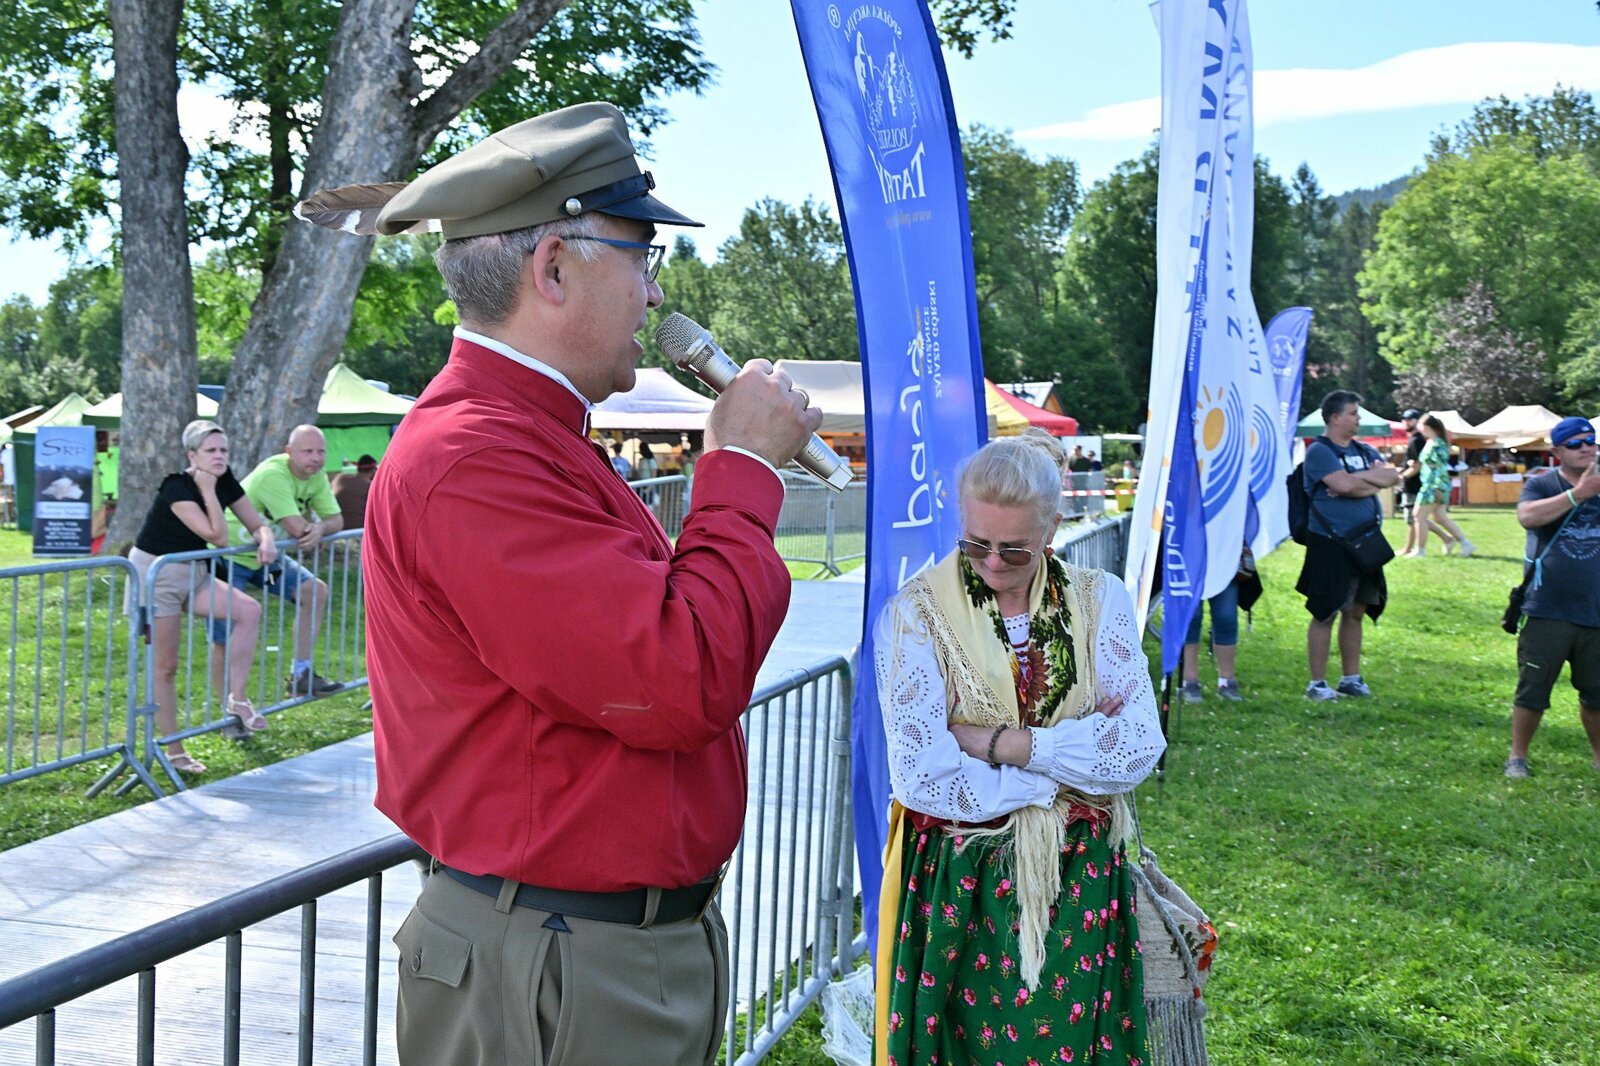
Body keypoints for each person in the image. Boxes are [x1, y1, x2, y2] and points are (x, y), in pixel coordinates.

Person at [351, 102, 822, 1065]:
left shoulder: (526, 437)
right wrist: (740, 469)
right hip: (556, 964)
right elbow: (679, 674)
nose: (656, 294)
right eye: (643, 255)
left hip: (585, 952)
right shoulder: (477, 457)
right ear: (555, 269)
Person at [873, 435, 1165, 1066]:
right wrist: (1065, 766)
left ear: (1052, 529)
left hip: (1079, 869)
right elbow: (922, 775)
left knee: (1071, 1042)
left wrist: (1001, 743)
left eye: (1014, 549)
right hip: (963, 876)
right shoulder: (917, 614)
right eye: (975, 543)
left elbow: (1139, 745)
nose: (993, 562)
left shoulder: (1099, 599)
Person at [130, 420, 276, 774]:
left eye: (224, 450)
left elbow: (256, 523)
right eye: (211, 451)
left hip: (193, 573)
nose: (219, 456)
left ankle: (237, 698)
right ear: (192, 456)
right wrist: (208, 490)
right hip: (156, 576)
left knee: (248, 611)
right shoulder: (176, 486)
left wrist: (267, 538)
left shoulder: (225, 480)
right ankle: (174, 751)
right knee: (166, 666)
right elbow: (218, 537)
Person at [210, 425, 343, 698]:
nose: (316, 458)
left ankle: (302, 674)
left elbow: (336, 520)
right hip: (227, 556)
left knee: (314, 591)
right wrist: (315, 528)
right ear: (289, 452)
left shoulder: (315, 476)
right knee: (224, 636)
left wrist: (320, 528)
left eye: (321, 452)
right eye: (307, 451)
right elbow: (296, 529)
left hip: (266, 556)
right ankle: (229, 708)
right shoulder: (274, 474)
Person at [1504, 416, 1600, 778]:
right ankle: (1517, 757)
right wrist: (1579, 494)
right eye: (1575, 444)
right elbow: (1527, 517)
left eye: (1590, 441)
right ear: (1557, 451)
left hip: (1596, 608)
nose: (1585, 448)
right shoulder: (1542, 484)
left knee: (1596, 693)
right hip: (1548, 607)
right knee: (1533, 689)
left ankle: (1599, 758)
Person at [1298, 390, 1399, 701]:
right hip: (1330, 543)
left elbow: (1391, 476)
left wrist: (1357, 481)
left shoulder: (1364, 449)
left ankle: (1350, 679)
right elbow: (1343, 485)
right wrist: (1367, 481)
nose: (1358, 418)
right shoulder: (1320, 451)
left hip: (1365, 543)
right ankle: (1317, 684)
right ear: (1335, 417)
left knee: (1356, 611)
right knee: (1325, 611)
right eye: (1353, 413)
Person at [1180, 545, 1260, 702]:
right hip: (1189, 553)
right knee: (1191, 618)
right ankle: (1190, 681)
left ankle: (1227, 681)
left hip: (1224, 554)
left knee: (1226, 616)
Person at [1409, 415, 1475, 557]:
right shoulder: (1432, 442)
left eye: (1420, 425)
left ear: (1427, 427)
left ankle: (1420, 550)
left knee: (1418, 516)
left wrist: (1437, 487)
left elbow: (1439, 468)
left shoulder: (1438, 444)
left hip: (1433, 485)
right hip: (1433, 484)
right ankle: (1464, 543)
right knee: (1440, 517)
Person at [1395, 408, 1424, 552]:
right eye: (1405, 419)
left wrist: (1402, 476)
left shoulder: (1417, 440)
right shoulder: (1413, 439)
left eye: (1410, 419)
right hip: (1411, 484)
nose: (1406, 422)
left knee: (1413, 519)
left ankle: (1409, 549)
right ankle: (1447, 538)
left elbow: (1417, 465)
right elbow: (1411, 462)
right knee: (1416, 518)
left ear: (1417, 421)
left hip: (1414, 485)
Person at [331, 454, 378, 530]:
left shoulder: (340, 478)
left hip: (337, 531)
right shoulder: (371, 487)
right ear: (374, 470)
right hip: (359, 532)